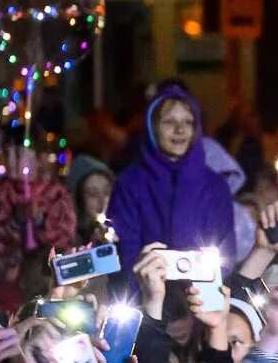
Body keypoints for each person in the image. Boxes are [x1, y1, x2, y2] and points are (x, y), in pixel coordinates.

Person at [105, 85, 244, 265]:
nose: (180, 130)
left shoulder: (214, 186)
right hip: (144, 288)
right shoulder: (130, 184)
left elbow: (225, 254)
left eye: (188, 122)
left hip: (200, 290)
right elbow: (124, 253)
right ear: (153, 127)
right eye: (169, 122)